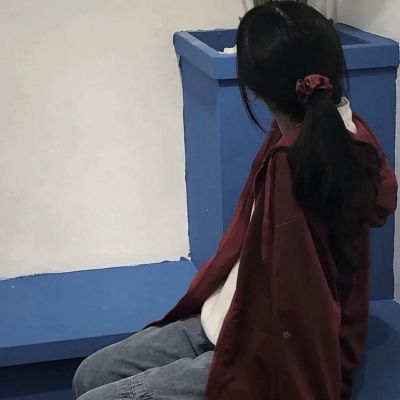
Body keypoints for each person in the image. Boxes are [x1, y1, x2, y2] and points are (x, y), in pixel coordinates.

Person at [72, 2, 397, 399]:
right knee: (90, 374)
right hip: (233, 314)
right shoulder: (330, 129)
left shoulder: (297, 162)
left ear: (255, 89)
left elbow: (302, 309)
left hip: (264, 352)